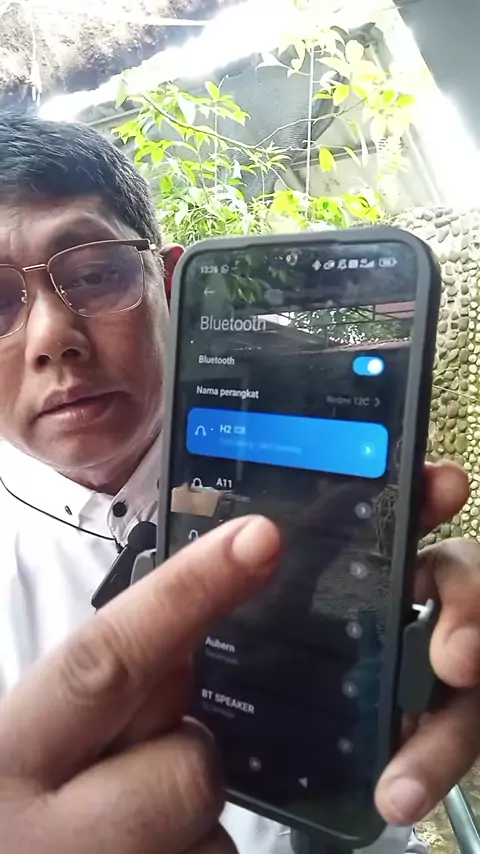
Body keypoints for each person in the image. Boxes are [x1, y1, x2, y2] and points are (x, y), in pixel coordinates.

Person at [0, 112, 479, 854]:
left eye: (94, 273)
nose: (52, 338)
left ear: (167, 280)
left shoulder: (311, 459)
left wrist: (427, 643)